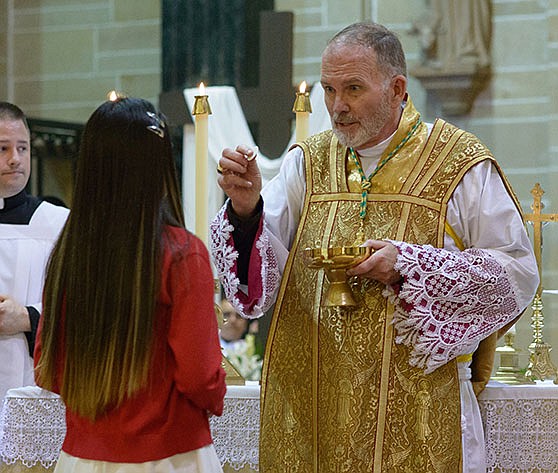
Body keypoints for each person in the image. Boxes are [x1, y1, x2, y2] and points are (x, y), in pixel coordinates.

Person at [210, 22, 539, 473]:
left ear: (397, 88)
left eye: (353, 89)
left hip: (423, 413)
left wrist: (410, 267)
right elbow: (256, 286)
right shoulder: (308, 162)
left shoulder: (457, 163)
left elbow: (516, 273)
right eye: (328, 89)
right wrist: (246, 211)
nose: (336, 107)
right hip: (316, 408)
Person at [34, 97, 226, 472]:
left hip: (83, 458)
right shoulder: (181, 253)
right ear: (157, 166)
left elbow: (49, 366)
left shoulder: (69, 254)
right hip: (170, 455)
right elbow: (199, 376)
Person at [0, 102, 69, 401]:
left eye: (23, 148)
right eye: (2, 148)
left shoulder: (58, 224)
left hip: (37, 390)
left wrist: (28, 318)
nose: (15, 159)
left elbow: (88, 310)